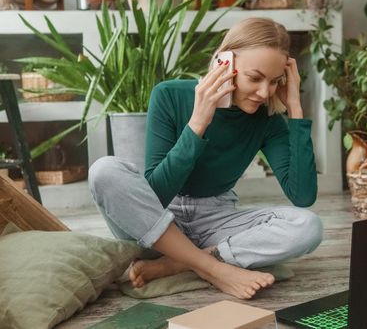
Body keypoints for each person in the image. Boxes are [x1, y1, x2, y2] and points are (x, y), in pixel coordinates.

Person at [88, 17, 323, 300]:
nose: (264, 93)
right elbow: (157, 195)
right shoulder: (169, 96)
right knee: (104, 171)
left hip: (217, 222)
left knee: (308, 226)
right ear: (225, 62)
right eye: (255, 77)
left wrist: (295, 107)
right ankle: (213, 267)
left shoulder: (267, 120)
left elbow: (303, 195)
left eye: (274, 82)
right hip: (156, 226)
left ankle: (181, 263)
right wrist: (198, 123)